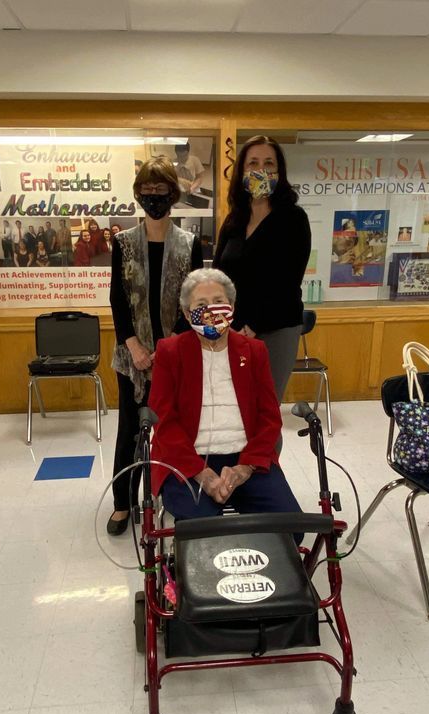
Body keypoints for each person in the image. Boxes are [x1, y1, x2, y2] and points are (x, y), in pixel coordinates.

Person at [149, 268, 301, 527]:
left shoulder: (254, 351)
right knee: (205, 533)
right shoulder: (170, 352)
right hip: (187, 459)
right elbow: (163, 420)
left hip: (246, 457)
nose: (211, 310)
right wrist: (202, 473)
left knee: (290, 527)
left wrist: (245, 468)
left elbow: (269, 417)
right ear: (187, 313)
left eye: (219, 301)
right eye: (201, 304)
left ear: (232, 306)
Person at [108, 156, 203, 535]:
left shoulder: (189, 244)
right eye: (146, 191)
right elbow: (117, 299)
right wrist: (134, 346)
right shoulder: (123, 242)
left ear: (172, 194)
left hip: (174, 354)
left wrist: (165, 349)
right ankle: (123, 503)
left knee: (175, 430)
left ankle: (175, 498)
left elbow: (193, 300)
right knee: (130, 429)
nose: (153, 198)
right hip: (131, 356)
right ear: (138, 195)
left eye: (160, 190)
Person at [214, 135, 311, 406]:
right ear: (242, 171)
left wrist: (252, 326)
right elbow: (219, 276)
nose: (261, 170)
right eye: (253, 163)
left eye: (269, 163)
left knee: (263, 410)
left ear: (279, 171)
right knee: (233, 408)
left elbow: (287, 281)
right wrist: (223, 323)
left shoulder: (293, 219)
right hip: (232, 329)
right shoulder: (234, 220)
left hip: (276, 328)